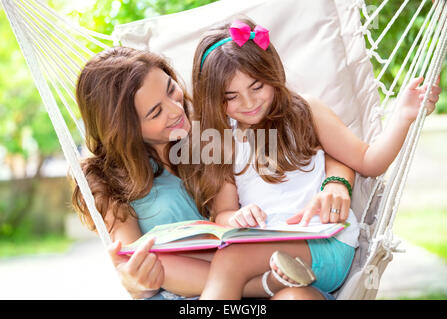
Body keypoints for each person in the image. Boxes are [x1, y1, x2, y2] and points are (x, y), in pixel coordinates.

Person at [185, 18, 442, 300]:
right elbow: (223, 213)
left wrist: (403, 117)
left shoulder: (304, 111)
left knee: (230, 260)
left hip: (324, 243)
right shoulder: (221, 142)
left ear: (271, 72)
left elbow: (369, 161)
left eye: (257, 87)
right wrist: (237, 217)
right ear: (213, 99)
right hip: (265, 252)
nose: (248, 103)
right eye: (231, 96)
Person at [72, 46, 355, 300]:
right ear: (124, 128)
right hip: (199, 292)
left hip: (266, 273)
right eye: (156, 112)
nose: (176, 110)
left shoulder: (215, 134)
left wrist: (336, 183)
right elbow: (135, 264)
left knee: (298, 298)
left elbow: (318, 147)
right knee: (158, 259)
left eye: (172, 90)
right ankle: (263, 285)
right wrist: (137, 284)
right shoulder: (107, 181)